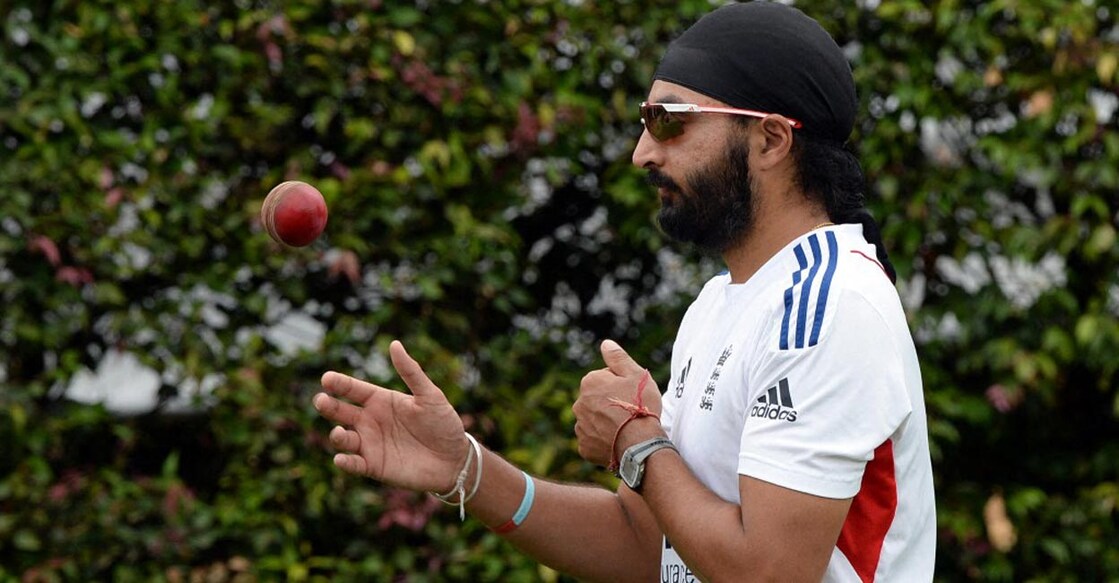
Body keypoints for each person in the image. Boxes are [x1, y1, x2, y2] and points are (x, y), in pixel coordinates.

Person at [312, 2, 936, 581]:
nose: (641, 153)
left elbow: (766, 571)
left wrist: (637, 441)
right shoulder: (719, 304)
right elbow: (648, 545)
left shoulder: (827, 306)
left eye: (668, 122)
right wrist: (467, 471)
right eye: (645, 123)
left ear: (771, 139)